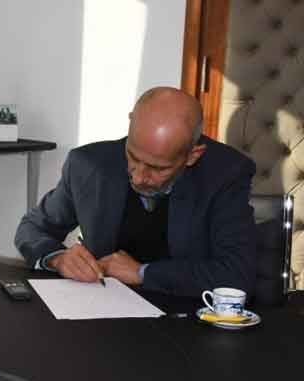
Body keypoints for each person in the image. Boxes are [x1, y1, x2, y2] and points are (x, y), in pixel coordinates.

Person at [14, 87, 256, 298]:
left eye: (157, 168)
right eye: (132, 156)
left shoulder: (225, 175)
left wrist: (143, 273)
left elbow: (237, 275)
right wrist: (57, 258)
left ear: (193, 155)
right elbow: (32, 228)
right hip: (101, 312)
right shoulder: (88, 164)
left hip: (186, 320)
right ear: (130, 123)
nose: (139, 177)